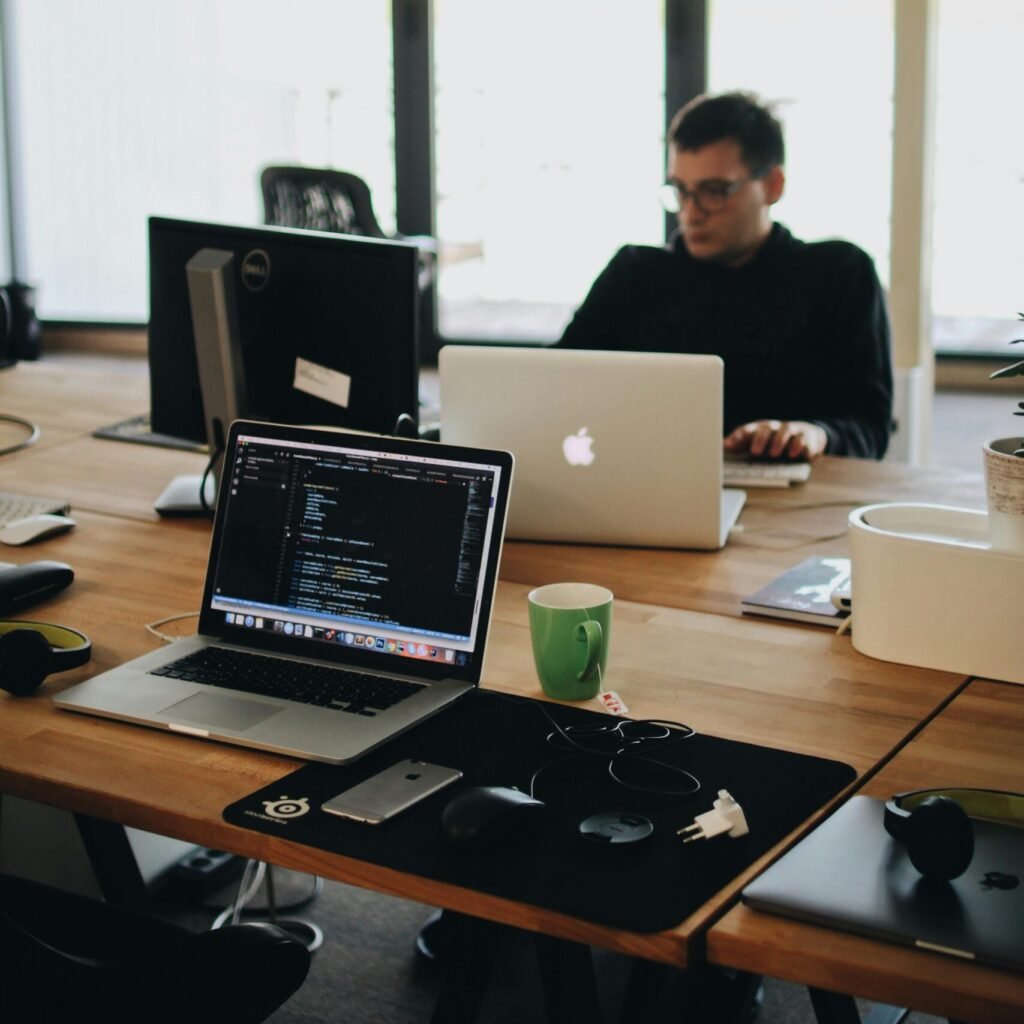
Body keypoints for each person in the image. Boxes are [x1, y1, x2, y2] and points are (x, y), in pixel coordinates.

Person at [558, 91, 893, 460]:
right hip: (647, 486)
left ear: (773, 186)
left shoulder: (839, 274)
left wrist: (815, 434)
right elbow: (554, 384)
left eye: (714, 191)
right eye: (681, 191)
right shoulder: (633, 273)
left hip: (795, 501)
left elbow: (870, 427)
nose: (691, 213)